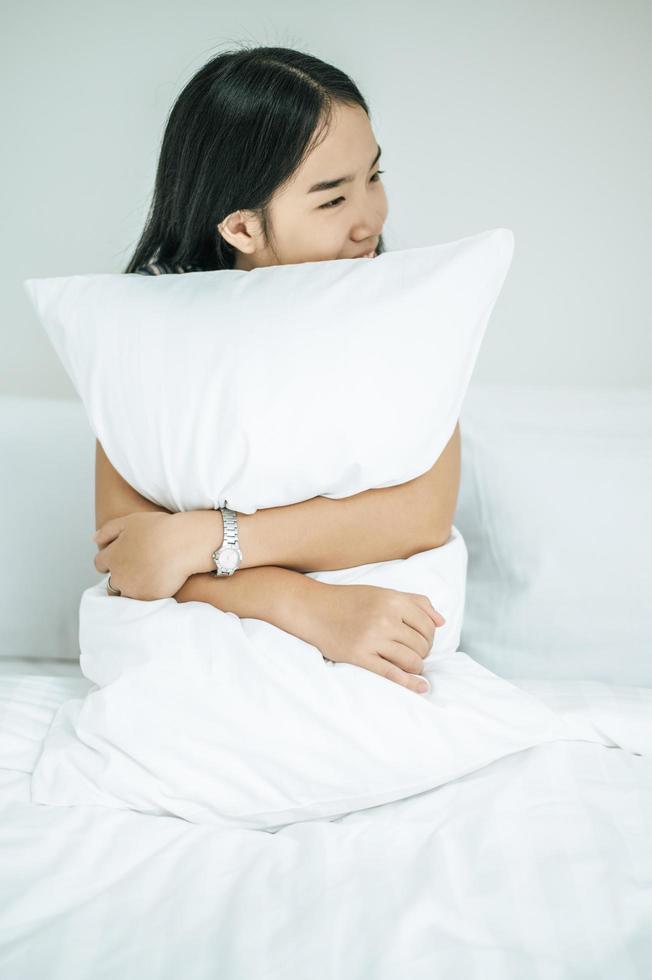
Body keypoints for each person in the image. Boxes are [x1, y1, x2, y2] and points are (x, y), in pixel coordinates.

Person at [93, 44, 461, 695]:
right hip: (208, 641)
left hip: (383, 626)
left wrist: (210, 536)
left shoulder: (406, 318)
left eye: (373, 177)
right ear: (242, 228)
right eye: (332, 199)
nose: (369, 219)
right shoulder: (149, 340)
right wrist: (308, 607)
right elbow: (136, 557)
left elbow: (422, 514)